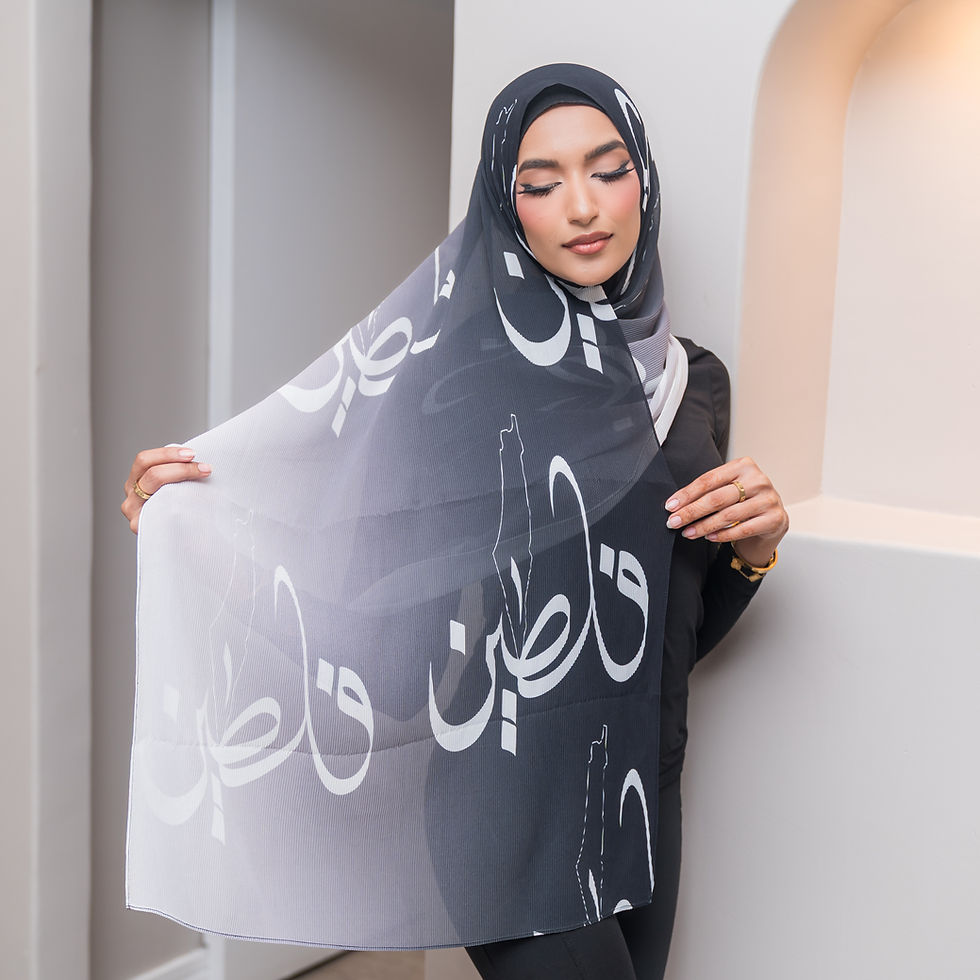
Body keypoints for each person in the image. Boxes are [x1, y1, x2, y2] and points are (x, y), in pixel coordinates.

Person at [122, 64, 787, 979]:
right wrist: (195, 531)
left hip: (640, 789)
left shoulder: (692, 381)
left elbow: (667, 636)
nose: (583, 206)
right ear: (505, 210)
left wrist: (753, 554)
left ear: (645, 181)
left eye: (609, 170)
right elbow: (379, 653)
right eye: (541, 185)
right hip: (503, 804)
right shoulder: (448, 395)